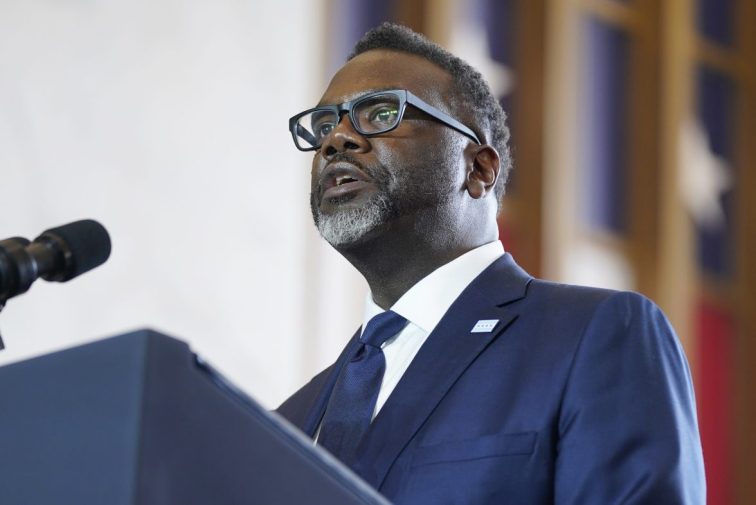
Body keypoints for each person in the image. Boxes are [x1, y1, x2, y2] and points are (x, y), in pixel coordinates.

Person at [278, 22, 705, 504]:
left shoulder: (594, 336)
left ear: (479, 168)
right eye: (325, 125)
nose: (337, 139)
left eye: (380, 113)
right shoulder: (289, 421)